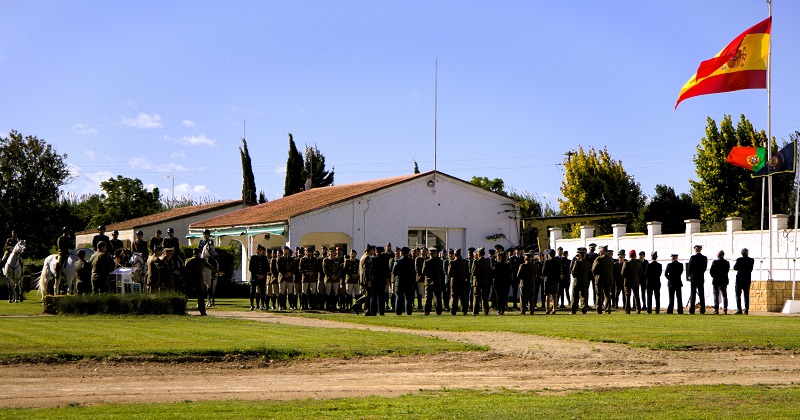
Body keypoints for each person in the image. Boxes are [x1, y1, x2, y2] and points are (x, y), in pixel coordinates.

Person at [184, 247, 224, 316]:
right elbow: (210, 267)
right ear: (199, 253)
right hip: (199, 280)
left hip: (190, 280)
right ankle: (202, 311)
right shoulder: (202, 261)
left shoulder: (188, 260)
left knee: (186, 295)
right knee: (200, 297)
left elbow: (185, 270)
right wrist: (218, 272)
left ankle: (181, 308)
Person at [392, 247, 416, 315]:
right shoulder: (411, 261)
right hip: (408, 281)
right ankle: (408, 311)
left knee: (399, 297)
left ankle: (398, 312)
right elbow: (413, 271)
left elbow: (394, 271)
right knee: (408, 298)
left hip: (399, 281)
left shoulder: (398, 261)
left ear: (401, 253)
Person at [591, 246, 614, 314]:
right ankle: (608, 309)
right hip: (608, 279)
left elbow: (593, 269)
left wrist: (595, 276)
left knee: (599, 295)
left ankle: (599, 309)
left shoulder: (599, 259)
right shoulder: (610, 259)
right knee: (607, 295)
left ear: (602, 252)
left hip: (600, 278)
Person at [447, 248, 469, 315]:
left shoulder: (452, 262)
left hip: (454, 281)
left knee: (454, 296)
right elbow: (467, 273)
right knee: (463, 296)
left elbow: (449, 273)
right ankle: (464, 310)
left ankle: (453, 310)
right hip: (462, 281)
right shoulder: (464, 262)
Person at [687, 245, 708, 315]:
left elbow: (689, 268)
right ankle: (702, 309)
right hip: (700, 277)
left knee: (693, 294)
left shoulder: (692, 257)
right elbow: (704, 268)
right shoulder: (704, 258)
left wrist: (691, 275)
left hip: (694, 278)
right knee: (701, 294)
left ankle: (692, 310)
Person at [471, 247, 491, 315]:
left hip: (477, 281)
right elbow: (489, 272)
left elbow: (473, 272)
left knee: (476, 297)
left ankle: (475, 311)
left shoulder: (476, 262)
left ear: (478, 253)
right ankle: (485, 311)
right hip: (485, 281)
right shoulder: (486, 261)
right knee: (485, 298)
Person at [733, 248, 754, 315]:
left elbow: (735, 268)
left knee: (738, 295)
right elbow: (750, 269)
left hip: (739, 279)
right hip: (747, 279)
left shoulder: (739, 260)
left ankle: (739, 309)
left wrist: (740, 267)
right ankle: (746, 310)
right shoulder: (751, 260)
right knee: (746, 295)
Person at [570, 248, 590, 314]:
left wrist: (576, 262)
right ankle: (584, 308)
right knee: (583, 296)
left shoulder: (577, 262)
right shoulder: (587, 264)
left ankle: (573, 310)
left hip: (577, 281)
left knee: (575, 296)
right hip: (584, 281)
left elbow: (573, 272)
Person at [710, 250, 730, 314]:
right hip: (724, 280)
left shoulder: (715, 262)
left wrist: (714, 276)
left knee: (716, 295)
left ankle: (716, 309)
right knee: (724, 295)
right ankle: (725, 309)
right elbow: (727, 271)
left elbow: (711, 271)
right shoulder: (726, 262)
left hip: (716, 280)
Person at [249, 245, 269, 311]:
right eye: (257, 249)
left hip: (262, 277)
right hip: (255, 277)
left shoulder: (264, 258)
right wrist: (257, 274)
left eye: (260, 250)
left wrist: (263, 275)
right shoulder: (253, 257)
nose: (259, 251)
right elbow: (251, 268)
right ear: (256, 250)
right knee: (253, 291)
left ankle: (262, 305)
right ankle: (252, 305)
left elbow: (267, 268)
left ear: (261, 251)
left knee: (262, 291)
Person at [621, 250, 642, 314]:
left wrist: (627, 277)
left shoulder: (626, 263)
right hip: (635, 281)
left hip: (628, 281)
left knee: (627, 296)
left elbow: (622, 273)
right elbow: (640, 273)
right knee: (636, 296)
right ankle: (638, 309)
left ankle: (628, 309)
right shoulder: (638, 263)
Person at [358, 245, 376, 315]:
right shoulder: (367, 258)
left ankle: (366, 310)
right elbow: (367, 271)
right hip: (366, 279)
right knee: (368, 295)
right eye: (373, 250)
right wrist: (368, 280)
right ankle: (357, 304)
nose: (373, 251)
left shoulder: (362, 257)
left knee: (367, 294)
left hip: (362, 279)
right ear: (370, 250)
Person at [300, 246, 320, 310]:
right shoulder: (302, 259)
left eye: (310, 252)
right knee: (304, 292)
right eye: (307, 252)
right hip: (305, 278)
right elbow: (301, 269)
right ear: (305, 252)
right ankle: (303, 305)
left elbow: (317, 269)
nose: (309, 253)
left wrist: (313, 273)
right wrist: (307, 273)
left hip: (312, 278)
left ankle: (313, 305)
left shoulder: (314, 259)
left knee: (313, 292)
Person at [491, 251, 511, 315]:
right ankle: (500, 309)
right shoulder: (496, 264)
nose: (498, 259)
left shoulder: (505, 265)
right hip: (498, 283)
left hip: (503, 283)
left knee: (503, 297)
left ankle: (502, 309)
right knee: (499, 297)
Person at [542, 249, 561, 314]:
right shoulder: (557, 262)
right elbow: (559, 271)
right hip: (555, 280)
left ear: (549, 254)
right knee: (555, 295)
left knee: (548, 295)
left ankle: (547, 309)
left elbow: (544, 271)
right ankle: (554, 309)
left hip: (548, 279)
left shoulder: (547, 262)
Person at [277, 246, 295, 311]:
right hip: (282, 277)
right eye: (285, 250)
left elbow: (294, 268)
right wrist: (285, 274)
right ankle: (281, 305)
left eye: (287, 250)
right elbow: (278, 268)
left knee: (290, 292)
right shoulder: (280, 259)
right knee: (281, 292)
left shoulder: (291, 259)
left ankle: (291, 305)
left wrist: (291, 273)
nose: (286, 251)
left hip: (289, 278)